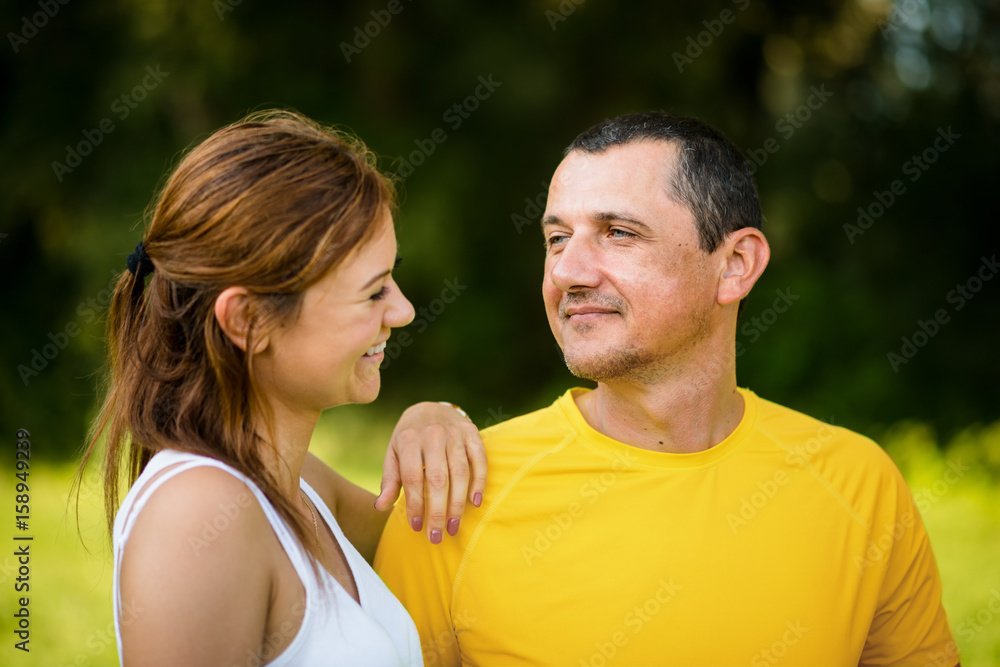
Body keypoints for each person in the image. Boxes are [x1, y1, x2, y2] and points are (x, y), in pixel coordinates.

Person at [374, 111, 960, 666]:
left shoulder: (859, 486)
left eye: (619, 233)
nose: (567, 272)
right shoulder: (451, 496)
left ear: (735, 264)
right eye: (557, 238)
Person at [78, 110, 486, 667]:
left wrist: (435, 416)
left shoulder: (295, 481)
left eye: (393, 279)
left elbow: (432, 539)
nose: (405, 310)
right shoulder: (199, 513)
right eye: (372, 293)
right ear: (248, 321)